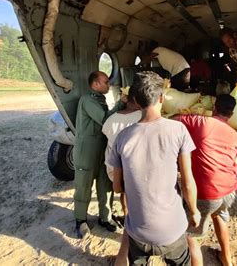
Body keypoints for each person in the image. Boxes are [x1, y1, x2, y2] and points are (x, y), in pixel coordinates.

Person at [107, 71, 201, 266]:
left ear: (136, 101)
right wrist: (193, 212)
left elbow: (117, 188)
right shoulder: (178, 130)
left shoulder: (122, 137)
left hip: (138, 233)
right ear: (161, 98)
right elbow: (187, 182)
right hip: (172, 232)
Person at [175, 95, 237, 266]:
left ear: (214, 107)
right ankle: (226, 259)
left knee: (189, 232)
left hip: (208, 192)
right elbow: (233, 163)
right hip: (229, 190)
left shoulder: (200, 122)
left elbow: (175, 119)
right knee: (220, 215)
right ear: (232, 114)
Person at [73, 71, 125, 238]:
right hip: (87, 150)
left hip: (101, 148)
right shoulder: (87, 100)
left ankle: (105, 217)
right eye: (105, 82)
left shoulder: (99, 100)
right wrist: (120, 103)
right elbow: (105, 120)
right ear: (95, 84)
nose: (108, 84)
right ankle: (80, 220)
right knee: (83, 185)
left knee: (105, 184)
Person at [102, 90, 141, 265]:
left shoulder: (110, 120)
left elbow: (106, 135)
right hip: (134, 169)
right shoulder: (142, 116)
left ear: (125, 100)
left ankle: (127, 216)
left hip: (114, 169)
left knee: (123, 192)